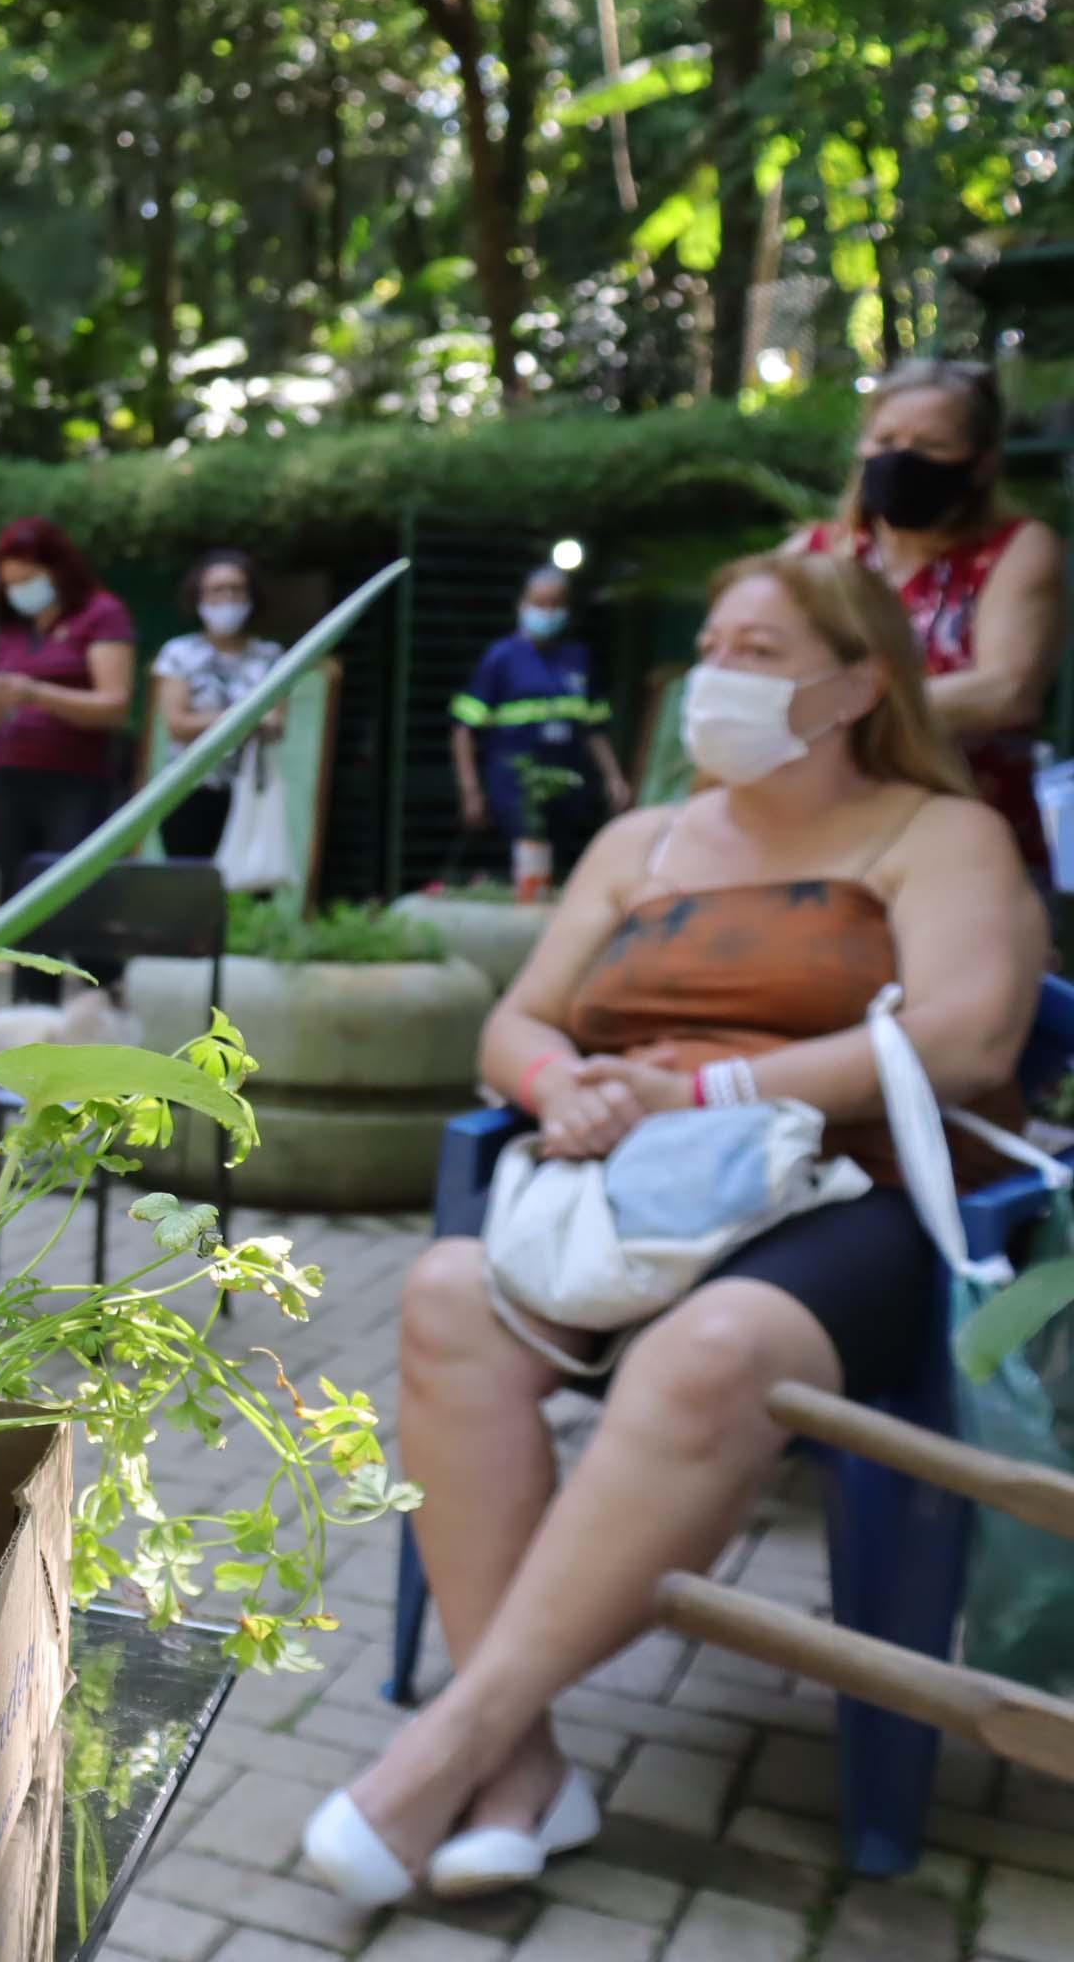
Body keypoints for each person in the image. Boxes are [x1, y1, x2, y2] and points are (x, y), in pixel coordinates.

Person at [301, 552, 1044, 1909]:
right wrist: (559, 1084)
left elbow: (969, 1038)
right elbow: (517, 1021)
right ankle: (526, 1768)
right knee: (448, 1292)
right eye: (712, 645)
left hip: (854, 1195)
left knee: (709, 1352)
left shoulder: (939, 834)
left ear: (856, 687)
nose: (716, 676)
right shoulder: (636, 843)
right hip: (633, 1188)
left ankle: (451, 1743)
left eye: (759, 652)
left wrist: (707, 1090)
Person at [789, 359, 1067, 875]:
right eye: (886, 440)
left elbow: (1006, 691)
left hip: (970, 848)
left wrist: (833, 707)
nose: (901, 458)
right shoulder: (813, 554)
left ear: (981, 463)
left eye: (931, 446)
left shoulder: (1015, 549)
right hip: (829, 846)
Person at [0, 517, 134, 999]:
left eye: (28, 579)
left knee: (75, 895)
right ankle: (31, 1011)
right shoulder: (12, 625)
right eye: (11, 583)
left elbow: (115, 706)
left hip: (76, 780)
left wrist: (36, 694)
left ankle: (107, 995)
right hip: (10, 776)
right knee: (21, 904)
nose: (20, 591)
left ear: (56, 569)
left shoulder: (102, 614)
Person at [449, 565, 631, 887]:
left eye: (555, 604)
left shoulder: (578, 658)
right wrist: (471, 789)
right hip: (514, 787)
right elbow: (464, 728)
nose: (547, 612)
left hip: (569, 785)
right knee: (524, 868)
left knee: (565, 872)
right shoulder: (501, 658)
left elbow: (594, 728)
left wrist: (614, 778)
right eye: (540, 603)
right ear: (523, 605)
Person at [149, 549, 287, 859]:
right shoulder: (179, 652)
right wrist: (247, 717)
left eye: (237, 589)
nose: (228, 598)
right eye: (217, 589)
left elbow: (276, 724)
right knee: (189, 878)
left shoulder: (270, 655)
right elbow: (178, 725)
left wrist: (214, 719)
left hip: (250, 790)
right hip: (189, 788)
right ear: (198, 596)